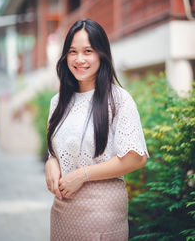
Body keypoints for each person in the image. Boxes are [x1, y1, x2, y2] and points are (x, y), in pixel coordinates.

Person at [45, 19, 149, 241]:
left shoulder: (118, 99)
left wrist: (82, 175)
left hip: (102, 212)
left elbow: (135, 158)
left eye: (88, 51)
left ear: (101, 54)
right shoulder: (58, 101)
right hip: (62, 212)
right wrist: (51, 163)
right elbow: (56, 149)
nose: (79, 59)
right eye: (73, 52)